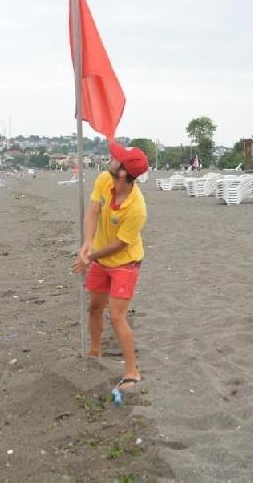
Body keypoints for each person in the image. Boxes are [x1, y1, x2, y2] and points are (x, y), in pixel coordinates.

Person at [71, 141, 149, 392]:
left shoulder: (137, 208)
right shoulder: (105, 179)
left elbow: (119, 245)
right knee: (94, 307)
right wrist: (87, 243)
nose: (111, 159)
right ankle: (95, 350)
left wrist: (90, 256)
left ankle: (131, 371)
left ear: (124, 172)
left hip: (125, 262)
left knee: (117, 316)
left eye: (117, 159)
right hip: (100, 258)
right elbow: (92, 212)